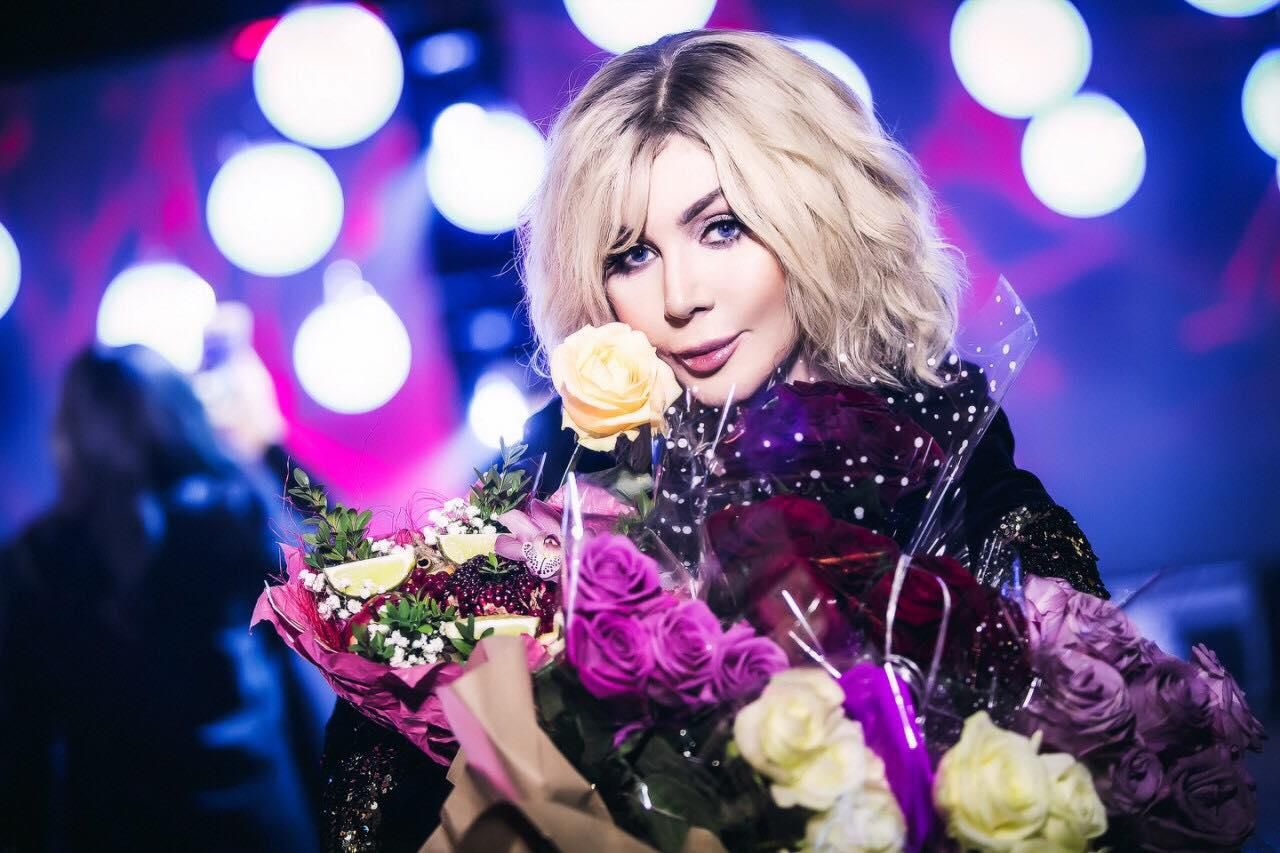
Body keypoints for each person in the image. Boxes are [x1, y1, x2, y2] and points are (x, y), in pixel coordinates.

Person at [318, 29, 1105, 851]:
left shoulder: (941, 434)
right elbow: (386, 747)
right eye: (632, 254)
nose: (679, 295)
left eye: (722, 228)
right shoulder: (561, 468)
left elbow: (1080, 700)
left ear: (816, 218)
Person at [0, 345, 319, 852]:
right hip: (259, 810)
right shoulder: (233, 511)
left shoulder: (36, 559)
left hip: (123, 826)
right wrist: (268, 445)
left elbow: (23, 736)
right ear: (175, 412)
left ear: (69, 432)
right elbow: (341, 577)